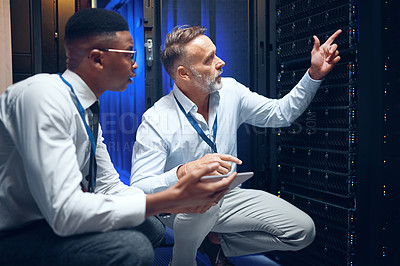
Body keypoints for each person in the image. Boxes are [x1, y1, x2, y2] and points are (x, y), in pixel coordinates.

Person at [0, 10, 236, 266]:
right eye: (129, 55)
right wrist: (170, 199)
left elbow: (110, 186)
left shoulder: (87, 110)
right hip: (18, 231)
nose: (136, 64)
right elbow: (64, 213)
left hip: (53, 221)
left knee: (152, 229)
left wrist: (176, 203)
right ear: (97, 59)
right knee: (132, 249)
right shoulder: (42, 97)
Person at [130, 25, 342, 265]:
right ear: (184, 74)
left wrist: (313, 74)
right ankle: (181, 260)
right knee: (202, 201)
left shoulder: (231, 91)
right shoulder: (157, 119)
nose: (220, 63)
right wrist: (184, 171)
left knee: (303, 231)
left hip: (229, 198)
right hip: (180, 206)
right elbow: (139, 188)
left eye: (216, 54)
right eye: (209, 60)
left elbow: (280, 114)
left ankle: (215, 242)